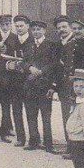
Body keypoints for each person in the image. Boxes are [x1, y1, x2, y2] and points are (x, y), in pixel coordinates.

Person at [23, 20, 58, 152]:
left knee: (46, 115)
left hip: (44, 85)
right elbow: (23, 62)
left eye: (39, 29)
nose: (36, 32)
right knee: (31, 114)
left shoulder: (51, 45)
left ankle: (49, 144)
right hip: (30, 85)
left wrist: (41, 71)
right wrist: (30, 67)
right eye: (34, 30)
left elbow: (54, 64)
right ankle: (33, 141)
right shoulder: (28, 45)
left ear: (44, 31)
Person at [0, 15, 31, 147]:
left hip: (29, 80)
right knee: (16, 110)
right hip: (15, 81)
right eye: (17, 26)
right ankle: (21, 138)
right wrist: (8, 65)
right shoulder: (12, 39)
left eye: (21, 26)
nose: (19, 28)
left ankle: (34, 138)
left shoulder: (33, 40)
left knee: (30, 112)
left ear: (27, 26)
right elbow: (6, 59)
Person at [52, 15, 77, 151]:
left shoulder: (77, 42)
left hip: (76, 86)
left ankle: (77, 147)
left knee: (76, 117)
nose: (62, 30)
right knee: (66, 115)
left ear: (70, 27)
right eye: (59, 28)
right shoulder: (57, 45)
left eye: (64, 27)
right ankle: (70, 145)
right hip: (62, 86)